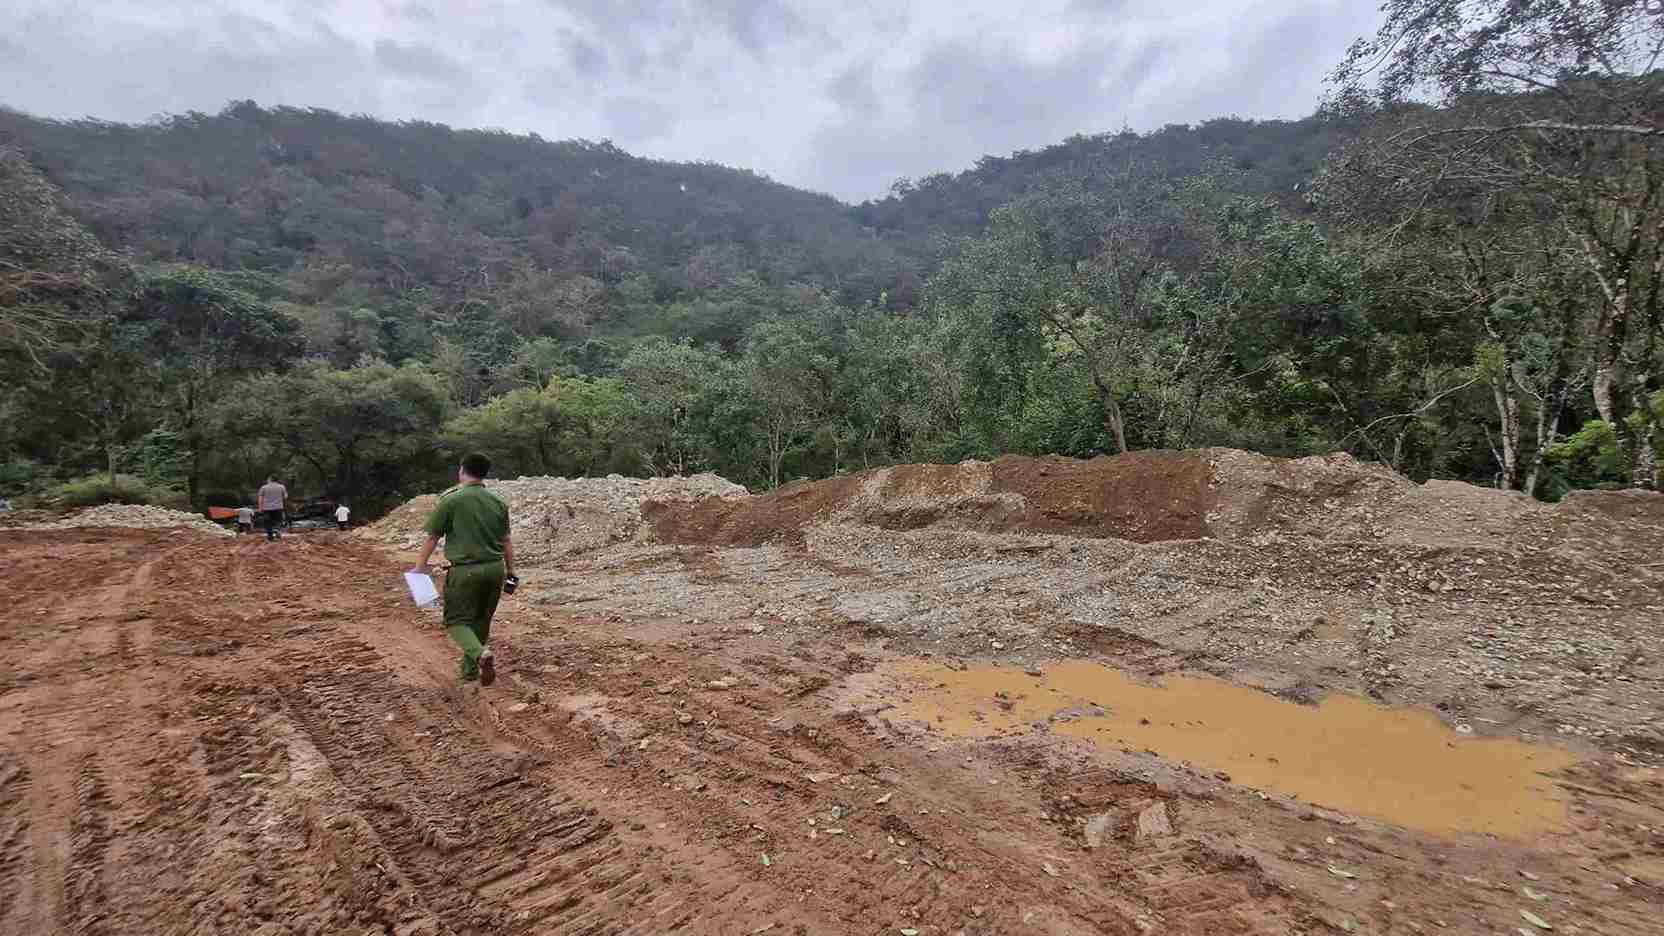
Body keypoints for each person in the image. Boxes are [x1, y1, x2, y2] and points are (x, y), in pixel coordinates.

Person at [410, 453, 515, 687]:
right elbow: (506, 541)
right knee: (481, 621)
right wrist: (511, 572)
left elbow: (432, 537)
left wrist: (419, 568)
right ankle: (469, 672)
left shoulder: (451, 500)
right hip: (495, 569)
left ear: (461, 470)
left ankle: (480, 655)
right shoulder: (498, 502)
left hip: (466, 571)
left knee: (456, 621)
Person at [256, 476, 288, 541]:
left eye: (268, 479)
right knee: (278, 520)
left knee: (268, 522)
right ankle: (277, 529)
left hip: (267, 508)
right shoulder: (282, 487)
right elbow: (285, 497)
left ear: (270, 479)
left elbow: (260, 498)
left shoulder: (264, 487)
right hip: (278, 507)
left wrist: (260, 508)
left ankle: (270, 537)